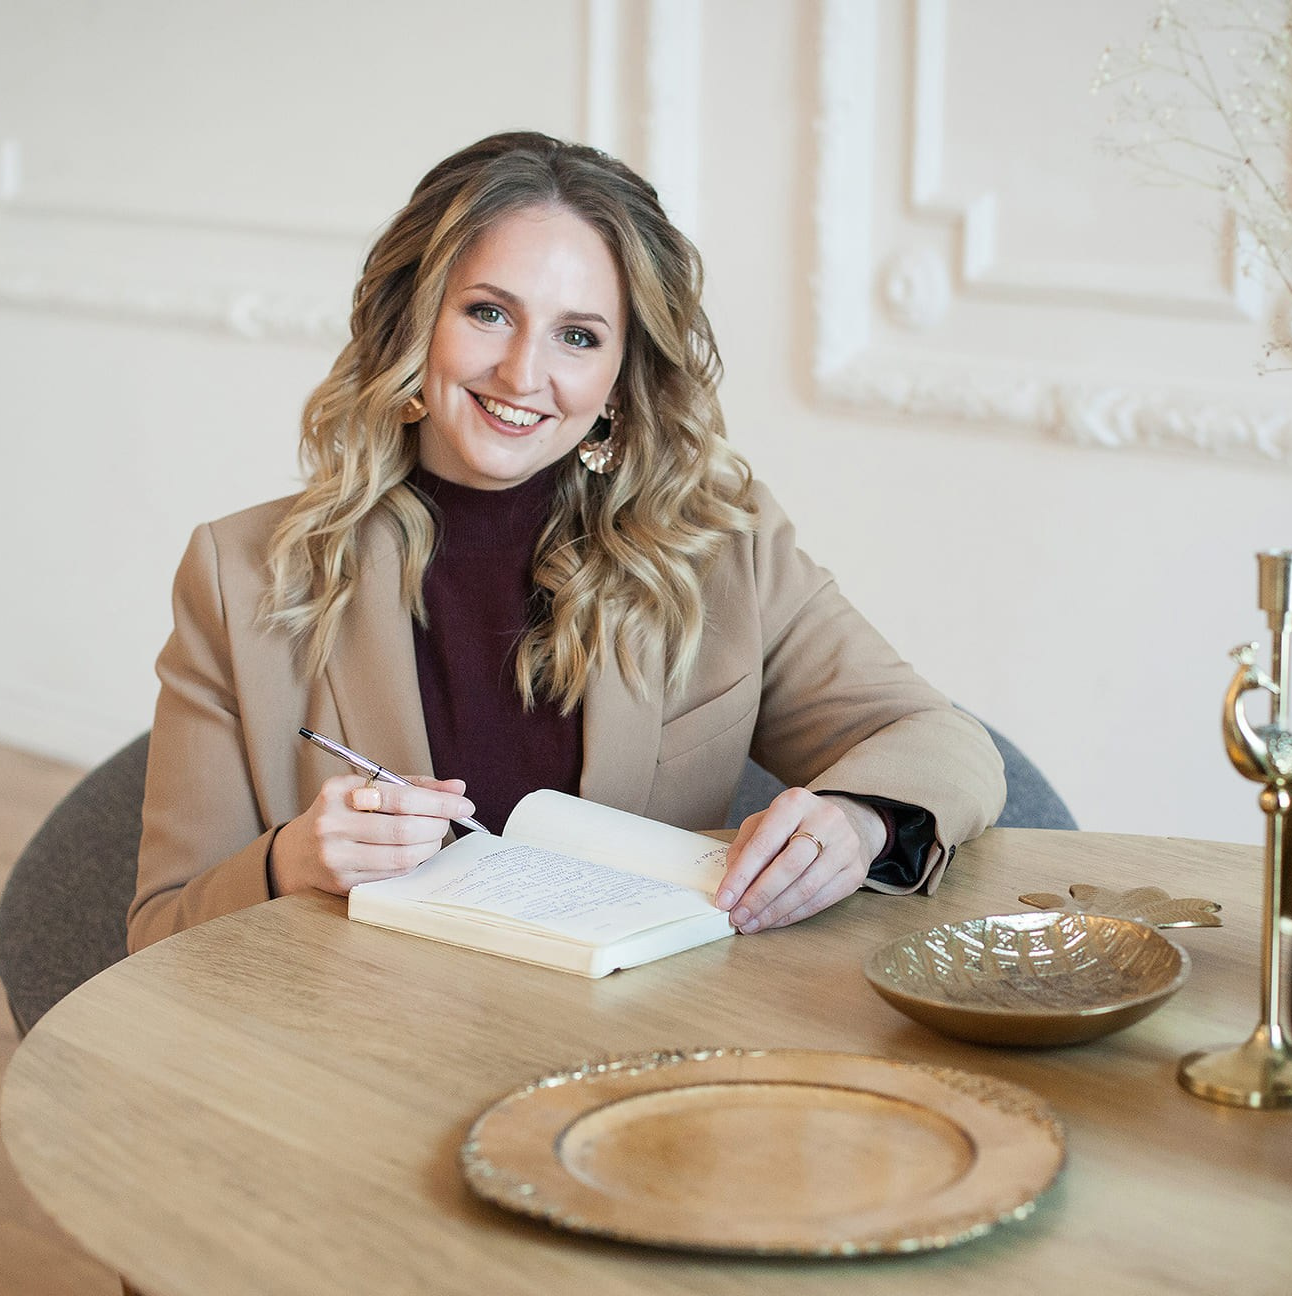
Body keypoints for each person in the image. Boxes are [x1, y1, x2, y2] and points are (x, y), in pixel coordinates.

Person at [129, 131, 1004, 954]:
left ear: (620, 379)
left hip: (636, 1053)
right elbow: (159, 932)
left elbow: (938, 736)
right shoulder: (238, 573)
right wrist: (291, 861)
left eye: (577, 336)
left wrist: (860, 821)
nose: (521, 374)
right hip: (362, 1062)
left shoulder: (722, 546)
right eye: (486, 313)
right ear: (413, 323)